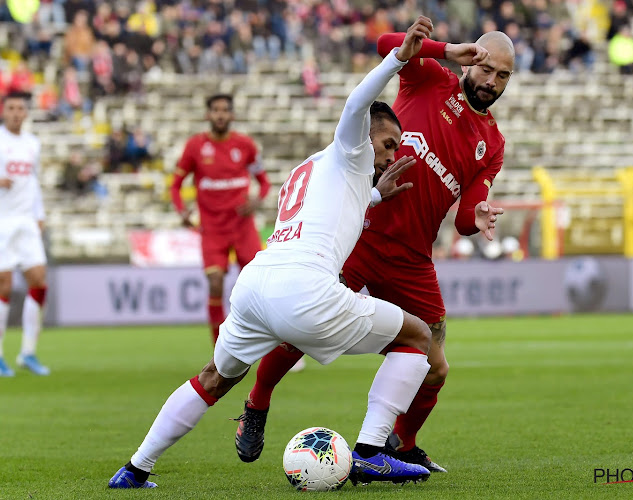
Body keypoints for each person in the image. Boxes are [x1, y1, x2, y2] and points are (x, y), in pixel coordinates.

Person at [108, 17, 446, 489]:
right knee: (418, 339)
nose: (391, 156)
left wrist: (374, 196)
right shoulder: (352, 146)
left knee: (212, 378)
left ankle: (134, 469)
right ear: (366, 134)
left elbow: (326, 215)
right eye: (389, 144)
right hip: (304, 287)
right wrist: (398, 58)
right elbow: (356, 105)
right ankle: (371, 451)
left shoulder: (309, 169)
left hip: (255, 285)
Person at [240, 23, 511, 473]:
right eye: (487, 68)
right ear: (472, 60)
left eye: (503, 76)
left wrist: (477, 216)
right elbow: (386, 45)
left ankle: (402, 446)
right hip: (361, 231)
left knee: (436, 364)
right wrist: (447, 50)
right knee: (302, 327)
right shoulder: (430, 77)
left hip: (413, 257)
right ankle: (257, 403)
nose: (492, 82)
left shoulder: (492, 144)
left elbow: (464, 218)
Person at [170, 94, 271, 344]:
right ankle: (220, 350)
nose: (220, 114)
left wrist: (256, 201)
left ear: (232, 115)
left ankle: (273, 345)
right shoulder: (195, 147)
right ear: (208, 114)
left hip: (242, 227)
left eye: (225, 110)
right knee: (215, 284)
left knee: (258, 287)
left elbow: (265, 183)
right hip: (212, 229)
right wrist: (182, 211)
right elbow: (175, 185)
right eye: (215, 110)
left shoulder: (245, 145)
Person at [0, 92, 50, 377]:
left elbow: (34, 181)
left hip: (26, 222)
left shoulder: (33, 144)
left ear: (27, 112)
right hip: (2, 222)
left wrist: (39, 214)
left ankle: (28, 353)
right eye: (11, 108)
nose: (16, 113)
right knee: (3, 287)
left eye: (21, 108)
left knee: (40, 283)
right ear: (4, 111)